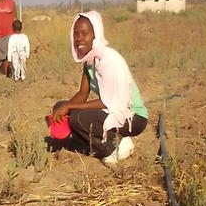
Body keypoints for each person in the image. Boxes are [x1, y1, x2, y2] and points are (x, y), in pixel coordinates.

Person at [50, 10, 148, 167]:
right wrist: (63, 109)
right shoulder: (89, 61)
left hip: (132, 117)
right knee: (61, 107)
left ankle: (115, 147)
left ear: (96, 35)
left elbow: (107, 102)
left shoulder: (108, 60)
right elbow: (83, 93)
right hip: (112, 110)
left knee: (78, 118)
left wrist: (69, 107)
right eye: (75, 34)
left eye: (84, 33)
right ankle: (92, 145)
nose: (79, 38)